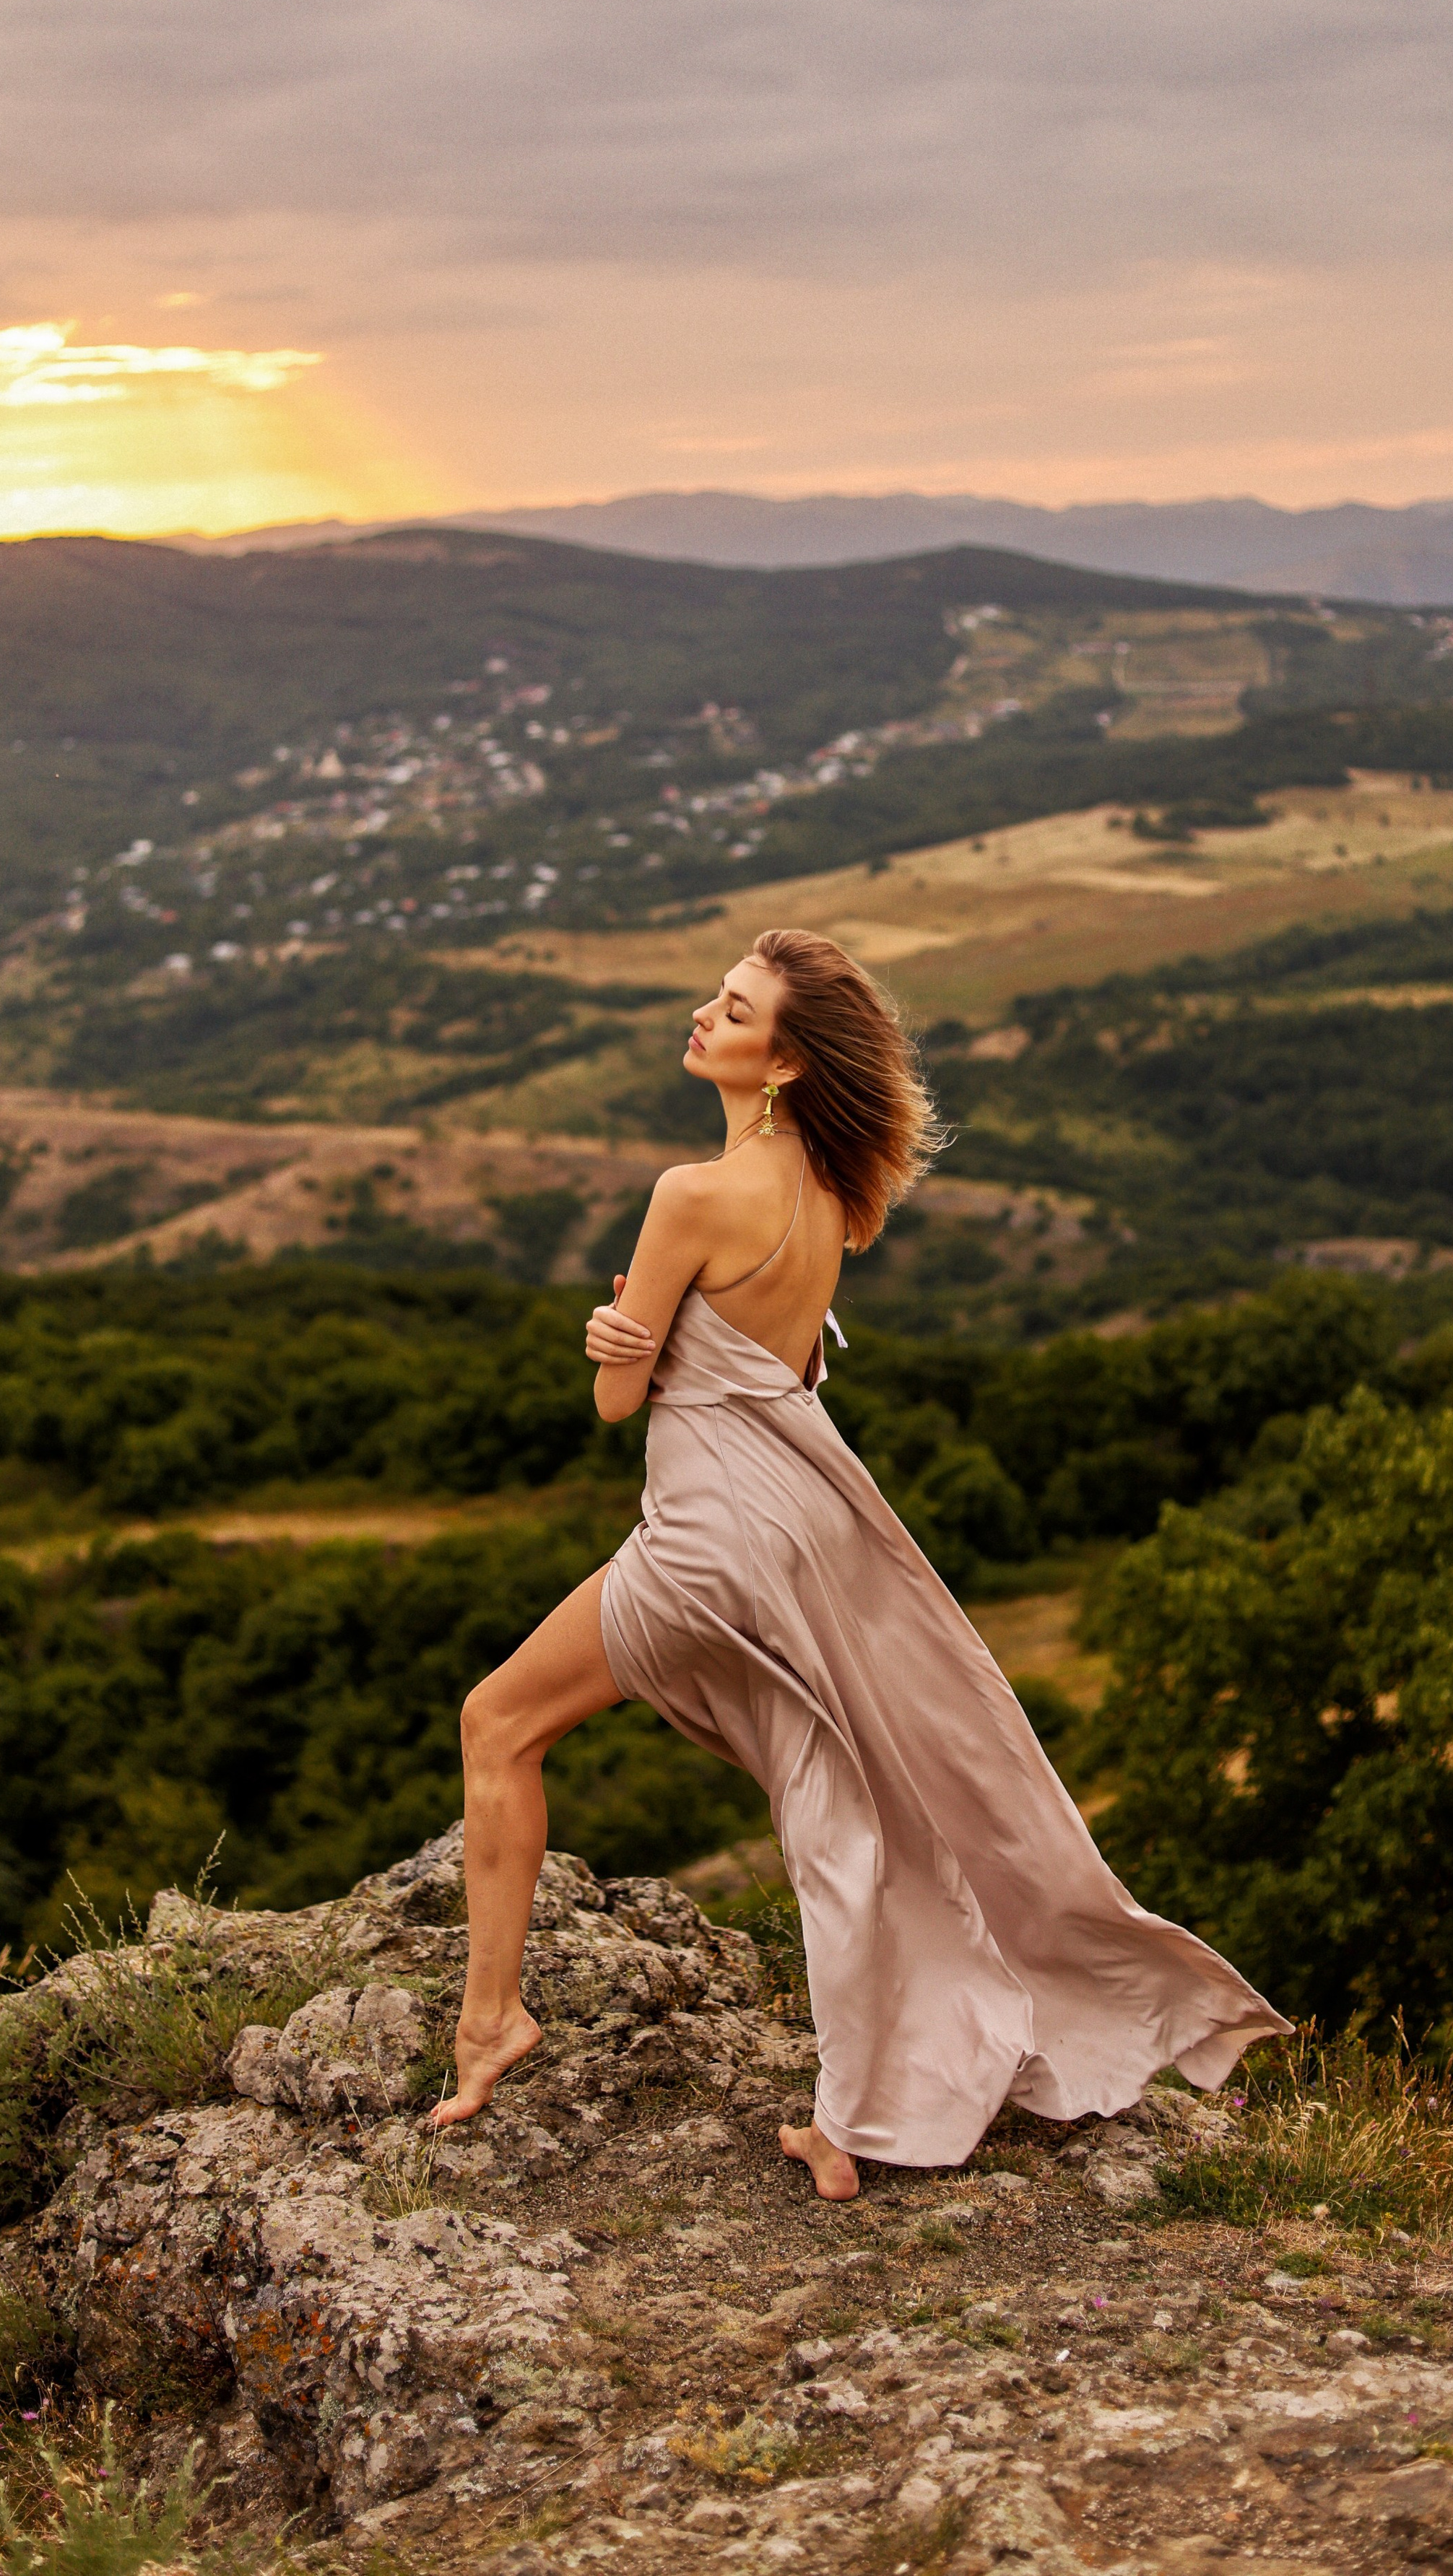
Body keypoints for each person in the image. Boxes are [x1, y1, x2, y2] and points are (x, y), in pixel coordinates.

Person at [433, 926, 1289, 2198]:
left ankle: (492, 2022)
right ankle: (864, 2109)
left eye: (732, 1011)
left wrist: (623, 1332)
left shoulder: (690, 1193)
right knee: (842, 1796)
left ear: (780, 1063)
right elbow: (783, 1362)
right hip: (801, 1525)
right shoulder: (833, 1190)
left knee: (499, 1722)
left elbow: (620, 1406)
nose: (703, 1017)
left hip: (712, 1537)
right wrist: (655, 1328)